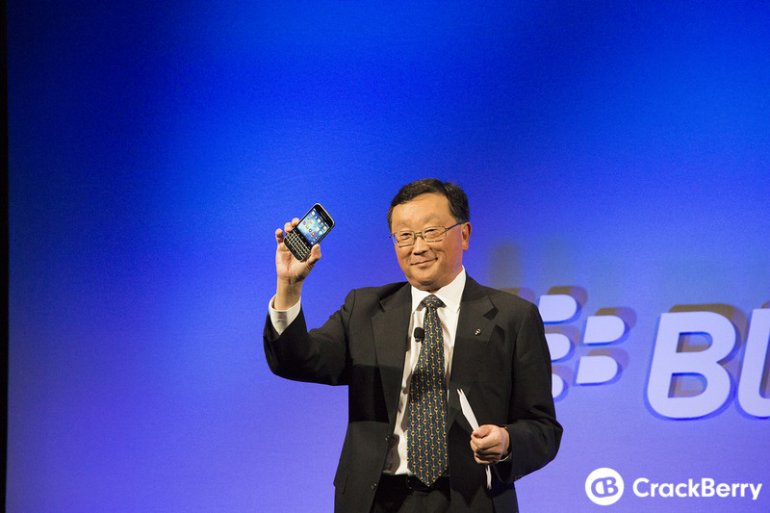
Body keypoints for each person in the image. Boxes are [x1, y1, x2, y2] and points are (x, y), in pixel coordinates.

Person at [264, 178, 562, 513]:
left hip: (470, 500)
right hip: (377, 500)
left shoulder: (513, 317)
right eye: (404, 236)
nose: (417, 247)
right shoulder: (364, 309)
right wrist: (289, 285)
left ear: (464, 235)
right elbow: (296, 360)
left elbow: (543, 429)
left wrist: (507, 442)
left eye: (431, 232)